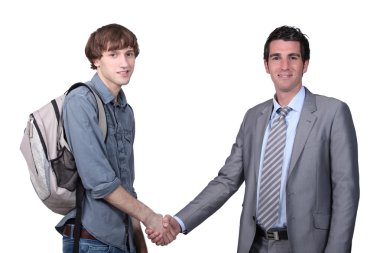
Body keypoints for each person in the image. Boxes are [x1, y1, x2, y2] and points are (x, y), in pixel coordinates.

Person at [146, 25, 360, 253]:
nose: (285, 66)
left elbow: (346, 191)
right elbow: (227, 181)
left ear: (305, 64)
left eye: (293, 58)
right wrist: (179, 222)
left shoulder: (333, 113)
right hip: (254, 244)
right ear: (266, 65)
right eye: (276, 58)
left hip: (308, 246)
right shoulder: (253, 118)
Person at [56, 23, 171, 253]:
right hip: (92, 240)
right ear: (96, 59)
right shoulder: (81, 101)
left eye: (129, 54)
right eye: (113, 54)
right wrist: (150, 216)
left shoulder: (125, 111)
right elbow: (99, 182)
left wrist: (140, 245)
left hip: (122, 241)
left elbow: (126, 186)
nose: (125, 63)